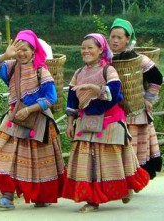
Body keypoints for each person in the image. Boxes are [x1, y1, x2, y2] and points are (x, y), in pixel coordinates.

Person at [62, 33, 150, 213]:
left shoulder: (108, 70)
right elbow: (71, 100)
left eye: (90, 48)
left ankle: (124, 188)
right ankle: (92, 200)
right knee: (88, 162)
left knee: (114, 161)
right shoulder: (78, 73)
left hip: (109, 121)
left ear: (101, 50)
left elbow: (115, 93)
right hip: (86, 122)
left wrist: (95, 89)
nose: (85, 51)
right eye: (83, 48)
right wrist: (70, 123)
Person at [0, 29, 66, 209]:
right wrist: (6, 55)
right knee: (6, 155)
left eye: (25, 49)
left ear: (33, 51)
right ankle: (7, 196)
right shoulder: (11, 67)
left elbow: (51, 99)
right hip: (14, 117)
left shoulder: (41, 71)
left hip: (38, 120)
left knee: (37, 160)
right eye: (18, 49)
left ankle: (41, 195)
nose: (21, 53)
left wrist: (29, 110)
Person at [109, 18, 163, 180]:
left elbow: (157, 78)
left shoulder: (138, 59)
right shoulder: (107, 58)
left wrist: (149, 98)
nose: (116, 40)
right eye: (113, 37)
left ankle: (134, 179)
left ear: (127, 39)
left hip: (134, 110)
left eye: (120, 37)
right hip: (114, 110)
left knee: (133, 146)